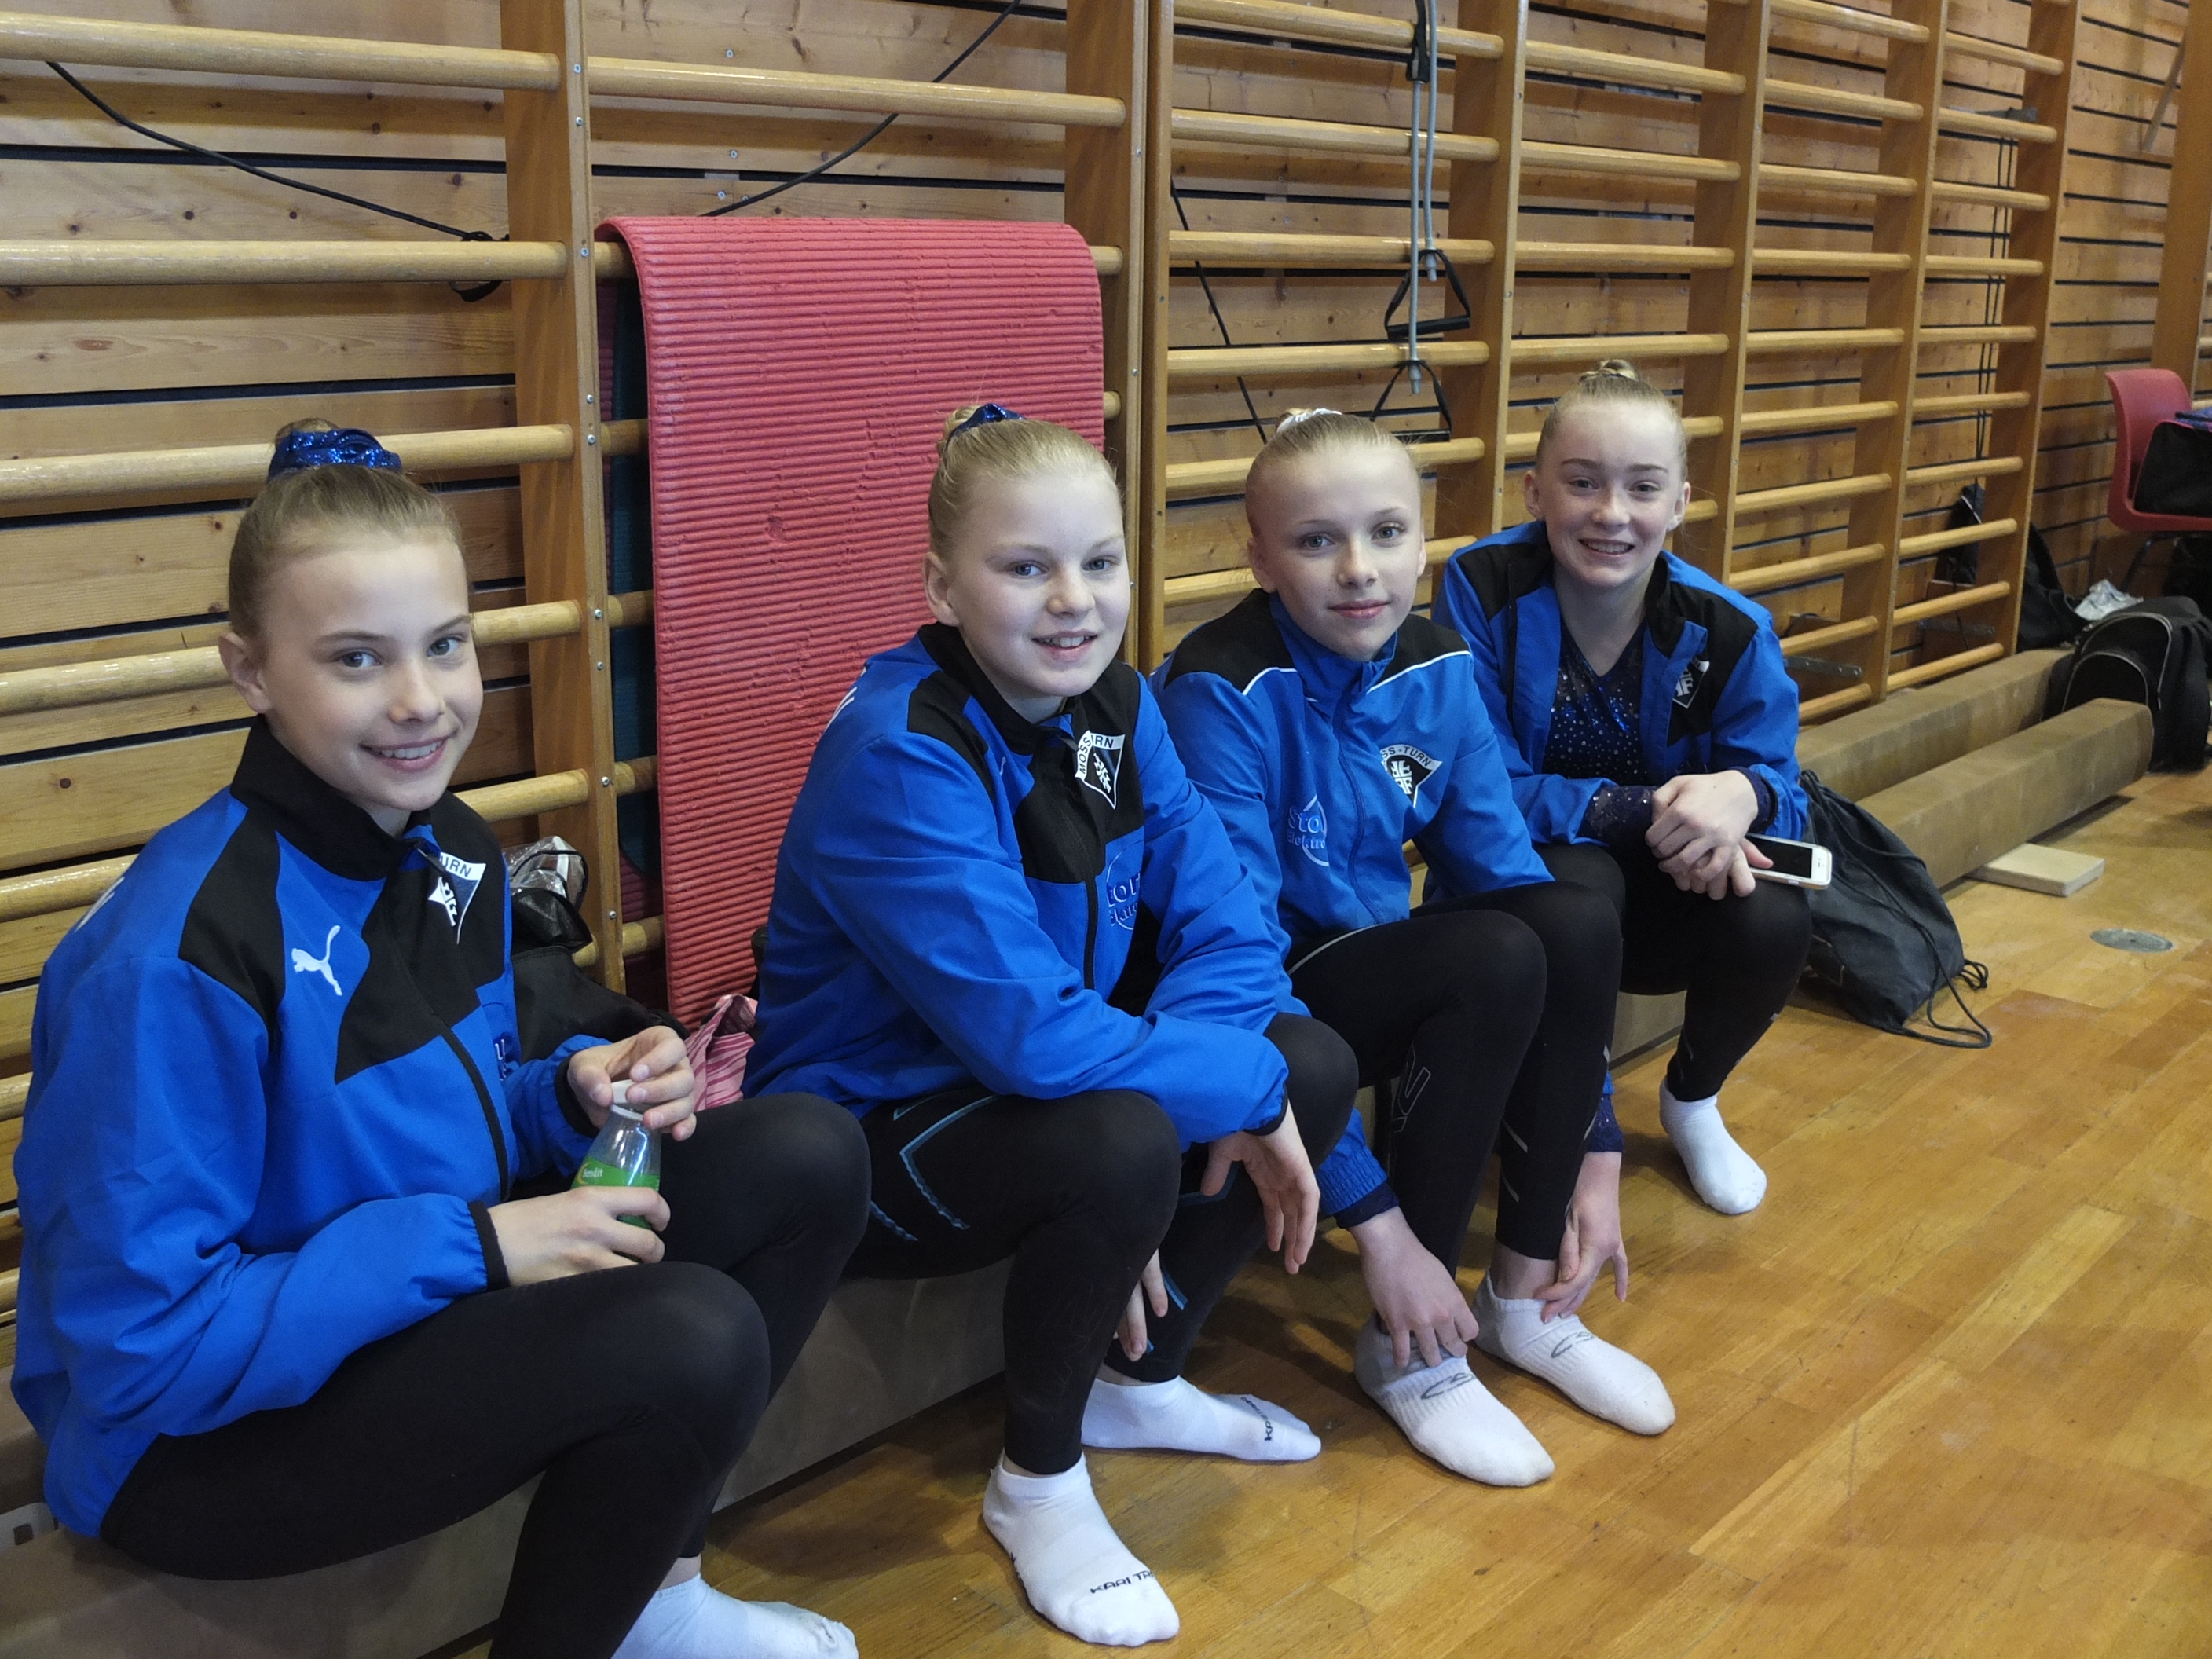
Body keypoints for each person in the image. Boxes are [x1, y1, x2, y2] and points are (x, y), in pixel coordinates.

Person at [13, 424, 871, 1659]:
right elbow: (145, 1354)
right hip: (188, 1442)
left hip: (407, 1305)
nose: (420, 701)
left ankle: (652, 1596)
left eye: (447, 644)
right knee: (690, 1334)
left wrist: (568, 1098)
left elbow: (450, 1115)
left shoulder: (447, 846)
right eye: (357, 658)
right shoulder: (173, 957)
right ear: (249, 669)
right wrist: (476, 1245)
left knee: (806, 1154)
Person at [745, 405, 1356, 1649]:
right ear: (942, 588)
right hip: (872, 1130)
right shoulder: (901, 750)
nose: (1074, 601)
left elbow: (1232, 928)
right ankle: (1038, 1481)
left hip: (1024, 1086)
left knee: (1309, 1059)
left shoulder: (1118, 703)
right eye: (1025, 568)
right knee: (1144, 1127)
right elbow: (1034, 1041)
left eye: (1100, 562)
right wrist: (1220, 1094)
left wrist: (1232, 1077)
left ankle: (1140, 1379)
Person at [1154, 409, 1674, 1487]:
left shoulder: (1435, 664)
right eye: (1316, 542)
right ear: (1259, 558)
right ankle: (1413, 1352)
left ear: (1423, 540)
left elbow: (1507, 877)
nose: (1360, 571)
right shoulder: (1218, 689)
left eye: (1387, 533)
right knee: (1489, 959)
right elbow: (1237, 972)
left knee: (1575, 909)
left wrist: (1595, 1143)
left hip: (1373, 968)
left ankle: (1523, 1298)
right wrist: (1377, 1224)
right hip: (1262, 1002)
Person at [1434, 362, 1814, 1215]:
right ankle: (1573, 1101)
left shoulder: (1731, 628)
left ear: (1679, 503)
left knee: (1773, 915)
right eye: (1582, 483)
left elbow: (1784, 789)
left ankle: (1692, 1100)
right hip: (1523, 893)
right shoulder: (1479, 585)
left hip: (1661, 897)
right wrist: (1638, 808)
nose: (1611, 513)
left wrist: (1744, 796)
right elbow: (1478, 785)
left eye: (1642, 488)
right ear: (1534, 491)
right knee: (1584, 877)